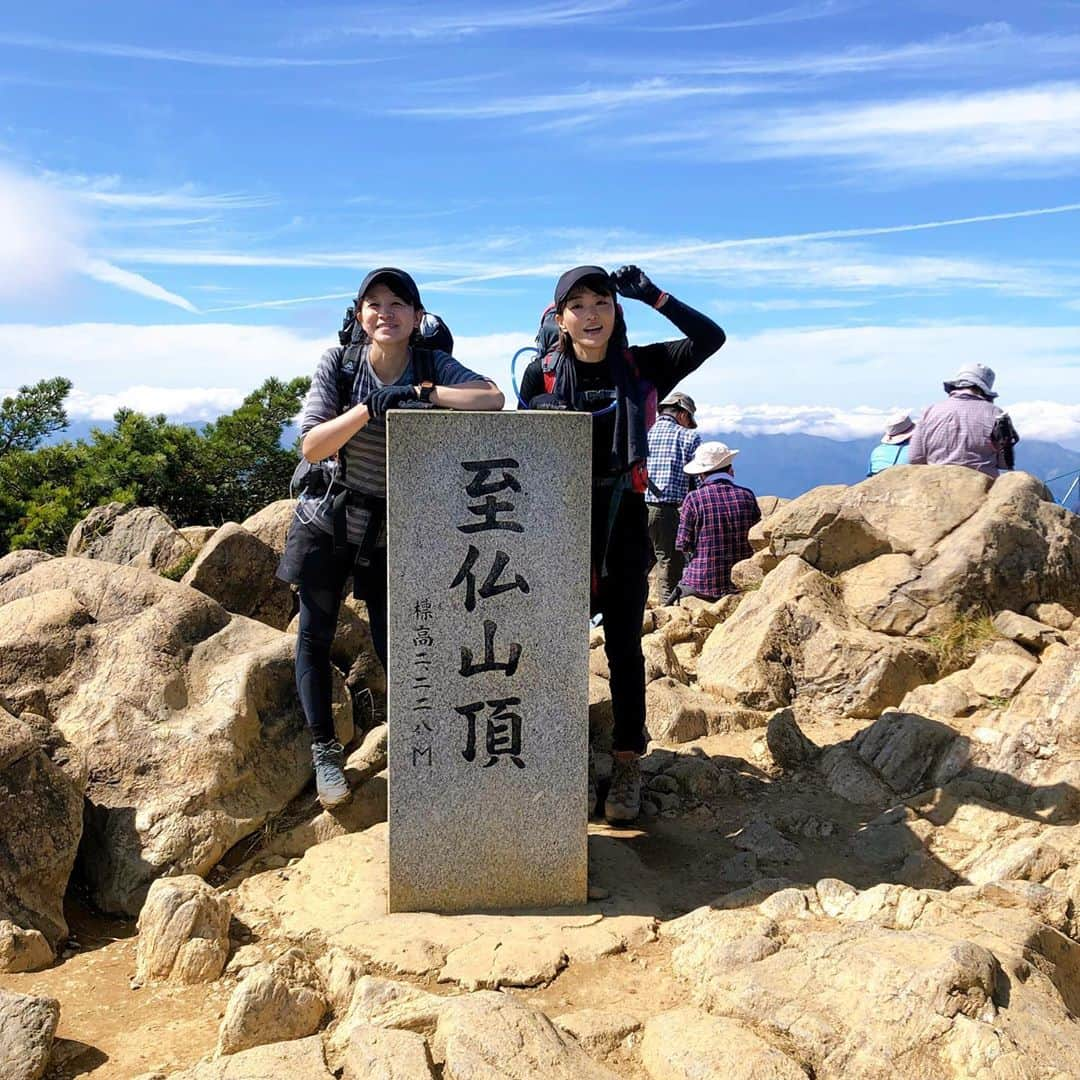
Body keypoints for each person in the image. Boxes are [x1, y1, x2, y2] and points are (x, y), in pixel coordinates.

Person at [277, 267, 504, 808]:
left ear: (417, 316)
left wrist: (423, 391)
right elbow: (311, 445)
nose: (387, 312)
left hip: (393, 530)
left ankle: (418, 747)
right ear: (360, 316)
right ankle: (325, 751)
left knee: (396, 642)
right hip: (330, 521)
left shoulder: (429, 362)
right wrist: (367, 407)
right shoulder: (341, 364)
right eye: (374, 304)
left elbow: (492, 398)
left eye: (399, 303)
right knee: (316, 635)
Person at [519, 264, 725, 822]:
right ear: (560, 317)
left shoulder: (645, 366)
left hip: (626, 522)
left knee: (624, 649)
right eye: (578, 305)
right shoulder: (540, 376)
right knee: (556, 653)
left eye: (602, 303)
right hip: (560, 528)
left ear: (617, 311)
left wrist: (656, 295)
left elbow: (711, 337)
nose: (592, 315)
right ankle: (572, 761)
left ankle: (628, 759)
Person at [671, 441, 760, 602]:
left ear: (701, 474)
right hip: (741, 580)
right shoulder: (747, 495)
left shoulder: (693, 498)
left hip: (703, 583)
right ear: (730, 469)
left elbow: (682, 544)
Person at [908, 363, 1019, 479]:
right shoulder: (997, 414)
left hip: (935, 482)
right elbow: (1005, 462)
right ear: (984, 389)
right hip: (981, 485)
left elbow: (915, 457)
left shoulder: (930, 411)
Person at [646, 392, 701, 603]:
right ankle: (667, 609)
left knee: (637, 562)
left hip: (634, 505)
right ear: (683, 414)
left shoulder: (644, 431)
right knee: (670, 561)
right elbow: (697, 480)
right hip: (666, 510)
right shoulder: (688, 437)